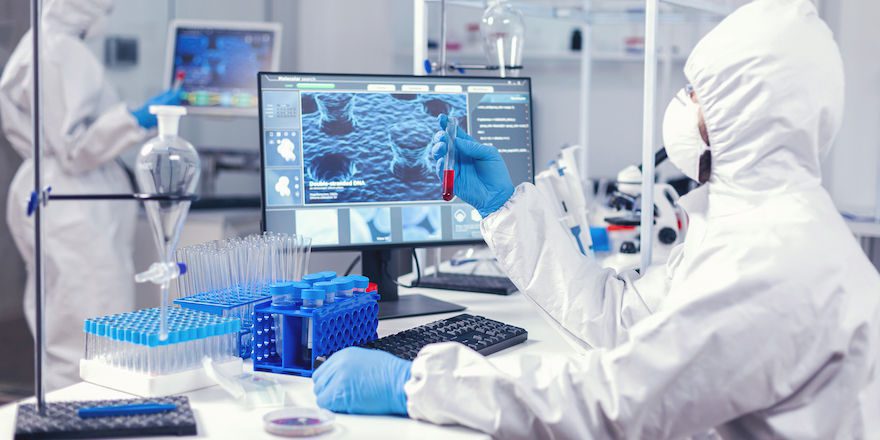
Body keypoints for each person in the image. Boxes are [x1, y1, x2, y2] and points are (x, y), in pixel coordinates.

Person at [312, 0, 880, 437]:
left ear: (744, 109)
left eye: (695, 91)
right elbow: (625, 322)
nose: (679, 104)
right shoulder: (760, 224)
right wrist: (506, 211)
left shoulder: (775, 258)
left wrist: (417, 383)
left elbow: (612, 403)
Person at [0, 0, 180, 390]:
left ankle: (78, 412)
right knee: (88, 328)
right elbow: (74, 147)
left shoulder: (50, 44)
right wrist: (134, 119)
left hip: (64, 198)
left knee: (71, 316)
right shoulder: (56, 49)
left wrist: (133, 119)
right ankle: (76, 418)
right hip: (71, 202)